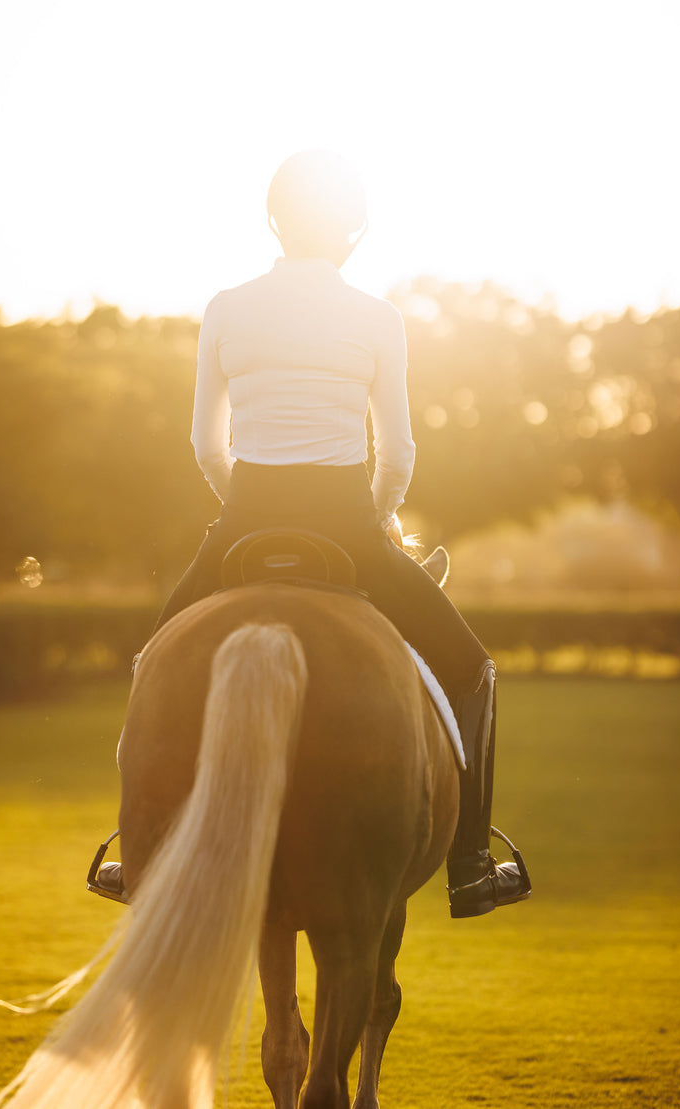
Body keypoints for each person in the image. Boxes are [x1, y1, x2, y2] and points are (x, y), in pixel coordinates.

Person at [94, 150, 530, 918]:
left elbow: (206, 443)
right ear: (354, 231)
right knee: (471, 668)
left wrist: (244, 507)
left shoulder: (227, 306)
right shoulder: (377, 318)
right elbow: (397, 452)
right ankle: (470, 864)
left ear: (274, 220)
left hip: (244, 516)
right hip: (350, 524)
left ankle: (133, 852)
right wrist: (380, 517)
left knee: (152, 661)